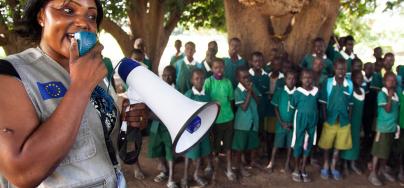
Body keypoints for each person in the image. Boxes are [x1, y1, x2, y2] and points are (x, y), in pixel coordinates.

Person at [0, 0, 148, 187]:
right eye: (69, 10)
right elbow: (22, 173)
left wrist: (125, 123)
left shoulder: (93, 72)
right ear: (41, 16)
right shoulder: (11, 73)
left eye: (91, 16)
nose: (84, 22)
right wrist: (80, 87)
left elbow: (99, 144)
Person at [318, 58, 353, 181]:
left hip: (343, 121)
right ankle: (326, 165)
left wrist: (349, 118)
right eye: (339, 68)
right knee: (327, 145)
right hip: (330, 119)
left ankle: (333, 166)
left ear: (346, 70)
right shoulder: (328, 83)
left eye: (343, 69)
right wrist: (325, 118)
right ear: (334, 68)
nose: (341, 71)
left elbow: (351, 104)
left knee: (338, 146)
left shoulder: (349, 84)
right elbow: (322, 102)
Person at [204, 58, 236, 181]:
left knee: (228, 146)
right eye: (216, 67)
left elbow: (231, 100)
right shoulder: (208, 82)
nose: (219, 70)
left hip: (228, 118)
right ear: (212, 69)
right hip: (214, 120)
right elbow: (205, 99)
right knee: (215, 146)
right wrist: (213, 102)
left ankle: (228, 168)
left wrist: (231, 114)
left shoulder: (228, 82)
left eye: (221, 67)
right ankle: (211, 165)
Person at [181, 69, 212, 188]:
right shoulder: (188, 94)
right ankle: (184, 176)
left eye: (202, 78)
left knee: (200, 154)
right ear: (192, 80)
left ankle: (196, 175)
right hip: (191, 131)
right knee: (189, 155)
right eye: (196, 79)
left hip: (203, 131)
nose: (200, 81)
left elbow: (210, 112)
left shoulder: (207, 96)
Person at [368, 72, 400, 186]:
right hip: (383, 128)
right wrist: (390, 96)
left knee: (386, 152)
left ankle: (381, 172)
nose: (392, 83)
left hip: (391, 128)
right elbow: (387, 109)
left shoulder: (396, 94)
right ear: (384, 81)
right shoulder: (382, 94)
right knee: (377, 152)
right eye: (389, 80)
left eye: (394, 80)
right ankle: (372, 174)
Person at [148, 65, 178, 188]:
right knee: (156, 147)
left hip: (168, 126)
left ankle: (171, 178)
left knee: (170, 150)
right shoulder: (157, 88)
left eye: (170, 75)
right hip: (156, 124)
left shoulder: (177, 91)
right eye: (164, 75)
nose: (166, 77)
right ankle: (164, 171)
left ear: (174, 77)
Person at [290, 69, 320, 183]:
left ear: (313, 79)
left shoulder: (316, 91)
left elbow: (317, 105)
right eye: (305, 77)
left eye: (310, 77)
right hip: (300, 120)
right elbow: (294, 107)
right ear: (301, 79)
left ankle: (303, 168)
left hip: (312, 121)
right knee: (299, 143)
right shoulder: (297, 92)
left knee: (308, 144)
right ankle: (296, 169)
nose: (307, 80)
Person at [232, 66, 261, 179]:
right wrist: (249, 92)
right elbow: (244, 107)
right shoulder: (237, 91)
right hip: (242, 124)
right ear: (238, 79)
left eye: (248, 77)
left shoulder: (252, 87)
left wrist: (252, 90)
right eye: (244, 78)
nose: (247, 79)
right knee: (240, 148)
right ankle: (239, 167)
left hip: (254, 121)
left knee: (253, 144)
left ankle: (252, 162)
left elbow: (258, 101)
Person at [267, 70, 297, 173]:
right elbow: (276, 108)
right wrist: (281, 122)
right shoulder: (279, 91)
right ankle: (271, 162)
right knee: (277, 145)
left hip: (292, 125)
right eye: (289, 78)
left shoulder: (297, 93)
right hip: (281, 124)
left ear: (296, 80)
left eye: (293, 79)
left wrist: (293, 123)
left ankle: (287, 164)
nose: (291, 81)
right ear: (285, 79)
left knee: (290, 146)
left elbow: (298, 110)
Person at [340, 70, 365, 175]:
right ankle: (345, 163)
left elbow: (362, 109)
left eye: (361, 78)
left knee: (355, 143)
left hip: (358, 121)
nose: (361, 80)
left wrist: (362, 126)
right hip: (349, 121)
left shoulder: (362, 91)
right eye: (358, 78)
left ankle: (353, 163)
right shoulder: (349, 90)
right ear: (353, 79)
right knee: (346, 141)